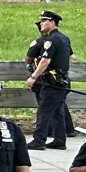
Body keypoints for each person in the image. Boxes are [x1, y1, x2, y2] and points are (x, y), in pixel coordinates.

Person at [26, 10, 72, 150]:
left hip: (51, 82)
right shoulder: (64, 38)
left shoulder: (51, 40)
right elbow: (70, 57)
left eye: (44, 20)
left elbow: (45, 61)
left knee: (44, 111)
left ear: (52, 22)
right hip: (62, 80)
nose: (41, 23)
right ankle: (59, 140)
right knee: (58, 111)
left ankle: (39, 140)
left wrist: (33, 77)